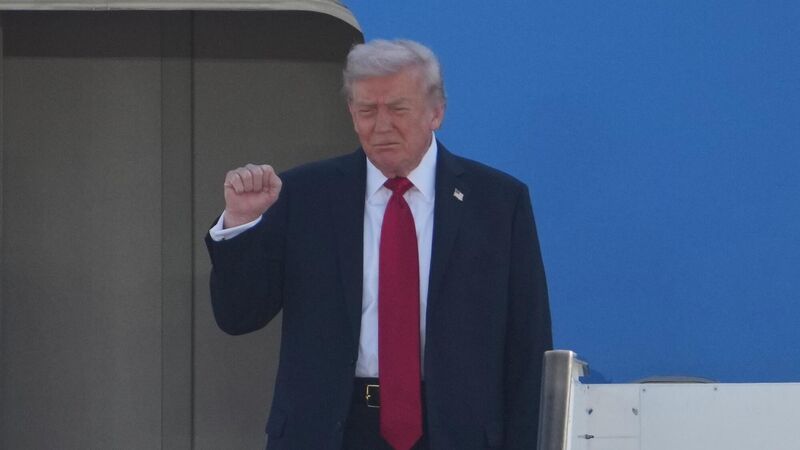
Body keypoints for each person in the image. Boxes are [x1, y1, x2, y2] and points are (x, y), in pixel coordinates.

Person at [206, 39, 552, 450]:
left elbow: (527, 345)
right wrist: (241, 224)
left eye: (398, 109)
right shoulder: (304, 195)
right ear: (352, 114)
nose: (382, 125)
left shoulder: (497, 202)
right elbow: (239, 315)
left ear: (437, 112)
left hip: (454, 431)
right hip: (332, 431)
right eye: (367, 110)